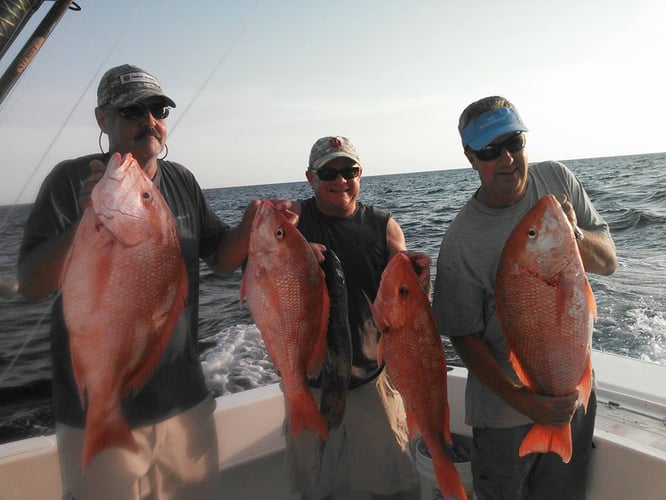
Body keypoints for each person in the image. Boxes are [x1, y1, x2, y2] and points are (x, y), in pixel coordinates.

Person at [17, 64, 260, 500]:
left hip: (185, 404)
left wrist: (249, 226)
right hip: (97, 409)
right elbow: (33, 283)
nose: (149, 120)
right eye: (132, 110)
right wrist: (89, 219)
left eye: (158, 108)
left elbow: (221, 260)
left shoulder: (182, 180)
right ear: (102, 120)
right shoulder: (69, 181)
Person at [431, 96, 617, 500]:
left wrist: (575, 235)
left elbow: (608, 263)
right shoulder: (461, 240)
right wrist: (524, 401)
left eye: (514, 142)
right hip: (502, 418)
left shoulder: (558, 179)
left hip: (572, 397)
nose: (507, 158)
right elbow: (463, 335)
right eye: (490, 150)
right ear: (471, 157)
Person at [285, 136, 431, 499]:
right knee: (317, 490)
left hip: (371, 381)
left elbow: (407, 298)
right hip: (311, 387)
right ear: (310, 177)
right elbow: (254, 266)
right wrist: (290, 250)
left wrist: (420, 276)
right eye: (328, 172)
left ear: (360, 173)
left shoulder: (383, 226)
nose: (340, 180)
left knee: (391, 489)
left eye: (349, 170)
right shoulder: (291, 222)